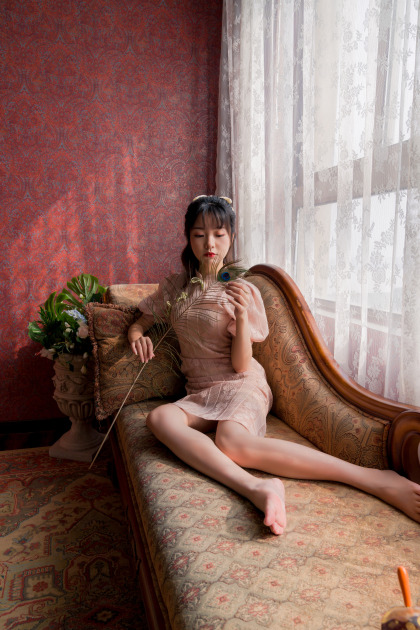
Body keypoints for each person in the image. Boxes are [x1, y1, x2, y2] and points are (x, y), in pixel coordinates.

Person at [128, 195, 420, 535]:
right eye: (199, 234)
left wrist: (241, 315)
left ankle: (373, 479)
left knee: (230, 441)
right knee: (159, 418)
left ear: (231, 237)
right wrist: (138, 335)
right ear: (188, 238)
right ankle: (258, 486)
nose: (209, 244)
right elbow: (143, 319)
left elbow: (241, 366)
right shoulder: (176, 288)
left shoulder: (241, 289)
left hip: (240, 384)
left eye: (219, 234)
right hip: (200, 391)